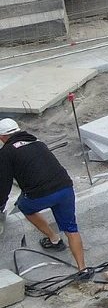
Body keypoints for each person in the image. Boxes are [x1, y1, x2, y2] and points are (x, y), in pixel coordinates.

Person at [0, 117, 88, 273]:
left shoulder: (6, 153)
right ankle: (83, 270)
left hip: (40, 195)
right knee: (71, 229)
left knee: (24, 206)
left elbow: (4, 184)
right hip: (65, 188)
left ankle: (54, 239)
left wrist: (1, 205)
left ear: (2, 137)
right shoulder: (37, 142)